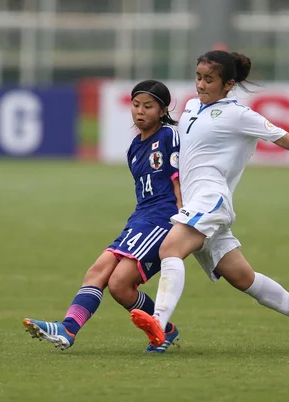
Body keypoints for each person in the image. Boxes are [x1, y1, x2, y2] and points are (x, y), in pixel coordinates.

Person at [130, 50, 289, 353]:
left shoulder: (238, 115)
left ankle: (158, 326)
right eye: (198, 77)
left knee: (170, 248)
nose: (201, 85)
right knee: (242, 278)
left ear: (228, 84)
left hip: (211, 200)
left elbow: (283, 137)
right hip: (194, 206)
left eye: (209, 80)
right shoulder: (190, 107)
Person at [23, 80, 183, 353]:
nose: (140, 111)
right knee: (109, 280)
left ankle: (163, 328)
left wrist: (183, 223)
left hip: (162, 220)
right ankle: (69, 328)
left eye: (148, 106)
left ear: (163, 109)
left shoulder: (169, 136)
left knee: (119, 282)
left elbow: (180, 182)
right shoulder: (134, 148)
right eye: (135, 105)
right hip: (140, 219)